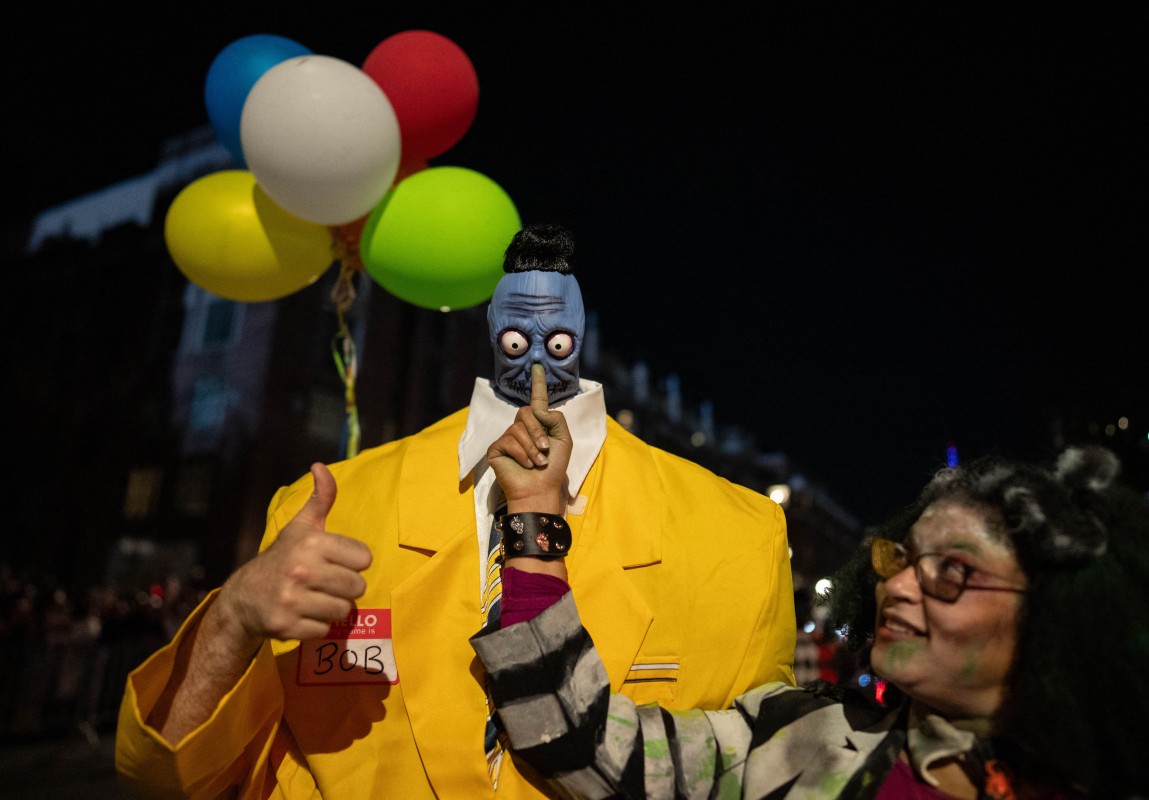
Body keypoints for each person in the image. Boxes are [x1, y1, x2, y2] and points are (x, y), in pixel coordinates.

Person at [114, 223, 797, 799]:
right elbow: (173, 778)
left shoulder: (738, 535)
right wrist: (231, 621)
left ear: (580, 335)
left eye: (555, 342)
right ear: (493, 332)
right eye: (515, 340)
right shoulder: (330, 507)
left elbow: (762, 775)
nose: (534, 356)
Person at [477, 405, 1149, 799]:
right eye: (901, 556)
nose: (901, 585)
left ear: (1054, 614)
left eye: (952, 570)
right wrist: (537, 516)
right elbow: (581, 739)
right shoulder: (801, 743)